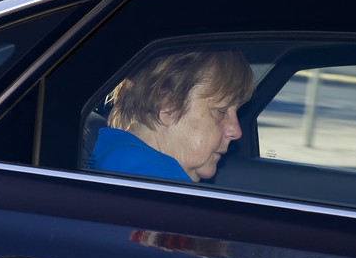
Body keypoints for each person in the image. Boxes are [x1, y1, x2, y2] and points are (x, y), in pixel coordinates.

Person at [86, 46, 255, 182]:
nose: (236, 131)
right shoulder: (144, 180)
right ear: (168, 106)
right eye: (221, 111)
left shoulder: (123, 162)